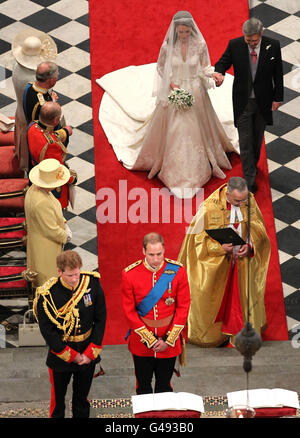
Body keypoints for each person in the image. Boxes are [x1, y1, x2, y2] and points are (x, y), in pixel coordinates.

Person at [97, 10, 239, 199]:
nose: (183, 35)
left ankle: (200, 166)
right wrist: (173, 86)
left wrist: (212, 75)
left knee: (198, 128)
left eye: (186, 32)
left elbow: (205, 67)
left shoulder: (200, 44)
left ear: (191, 30)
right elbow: (161, 68)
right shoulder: (168, 46)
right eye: (180, 32)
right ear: (175, 31)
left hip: (196, 91)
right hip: (175, 91)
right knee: (175, 129)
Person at [178, 177, 270, 347]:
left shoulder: (248, 200)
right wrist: (220, 249)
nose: (242, 204)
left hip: (242, 261)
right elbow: (197, 241)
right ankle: (213, 334)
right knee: (217, 299)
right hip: (218, 263)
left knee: (241, 296)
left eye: (244, 200)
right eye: (237, 201)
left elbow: (258, 228)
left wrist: (250, 246)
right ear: (227, 195)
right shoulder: (209, 208)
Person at [213, 18, 284, 193]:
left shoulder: (273, 46)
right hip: (243, 102)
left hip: (263, 102)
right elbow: (222, 62)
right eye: (248, 40)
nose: (251, 44)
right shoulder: (235, 45)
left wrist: (278, 97)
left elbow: (278, 74)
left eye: (254, 40)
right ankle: (249, 179)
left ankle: (252, 164)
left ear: (261, 34)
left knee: (256, 139)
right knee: (245, 142)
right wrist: (219, 73)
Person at [33, 250, 107, 418]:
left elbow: (101, 319)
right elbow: (47, 330)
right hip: (61, 354)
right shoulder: (47, 294)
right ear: (59, 272)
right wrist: (71, 355)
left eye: (77, 274)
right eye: (70, 275)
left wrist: (90, 352)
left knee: (82, 399)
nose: (75, 279)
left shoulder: (92, 283)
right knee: (58, 401)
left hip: (87, 350)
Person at [122, 232, 190, 394]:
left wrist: (169, 339)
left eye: (159, 254)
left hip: (168, 341)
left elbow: (183, 307)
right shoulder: (130, 274)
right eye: (151, 254)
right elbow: (129, 311)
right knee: (143, 387)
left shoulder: (177, 271)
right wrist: (149, 339)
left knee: (164, 387)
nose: (155, 259)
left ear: (164, 250)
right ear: (143, 252)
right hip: (142, 342)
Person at [11, 29, 57, 171]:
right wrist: (53, 102)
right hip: (31, 119)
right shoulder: (33, 79)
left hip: (20, 109)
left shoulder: (16, 67)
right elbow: (41, 109)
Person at [24, 158, 71, 288]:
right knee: (49, 282)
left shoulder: (35, 189)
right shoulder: (41, 202)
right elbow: (50, 229)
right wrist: (65, 235)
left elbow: (51, 214)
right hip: (46, 248)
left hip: (39, 241)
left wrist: (63, 222)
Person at [27, 101, 76, 209]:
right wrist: (72, 178)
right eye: (58, 118)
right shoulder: (50, 145)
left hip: (35, 174)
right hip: (49, 183)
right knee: (55, 212)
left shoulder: (32, 126)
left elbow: (50, 134)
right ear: (55, 120)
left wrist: (65, 132)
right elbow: (59, 170)